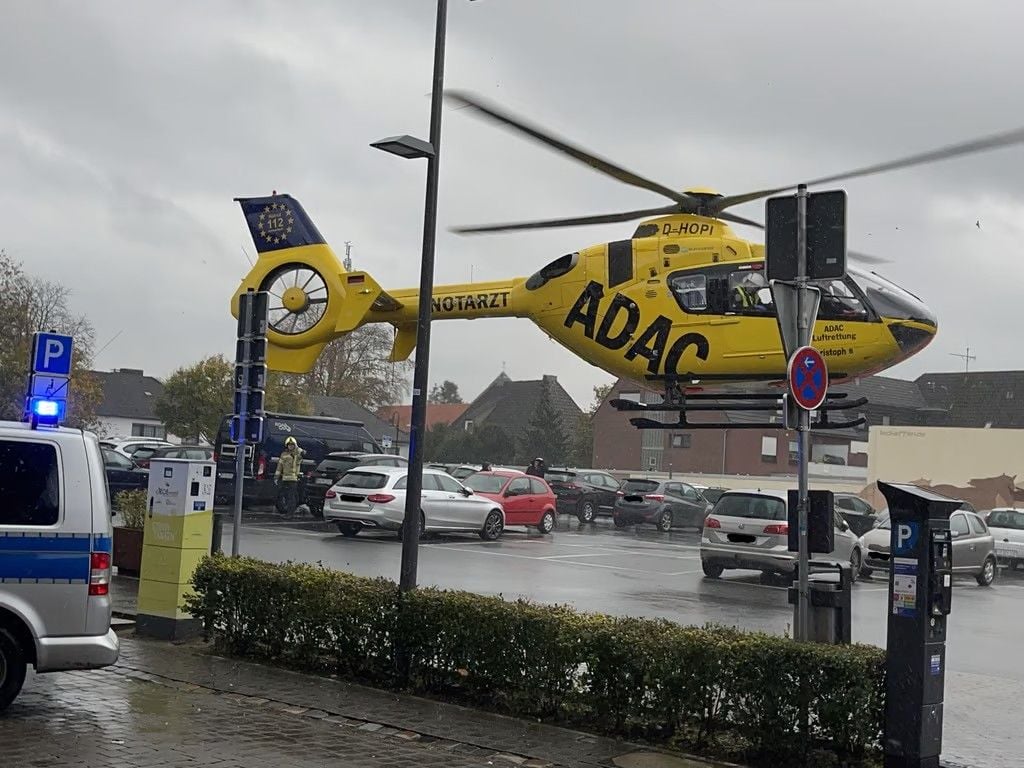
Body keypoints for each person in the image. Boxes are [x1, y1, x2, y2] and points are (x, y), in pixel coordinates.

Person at [274, 436, 305, 517]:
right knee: (285, 496)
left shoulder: (297, 454)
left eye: (292, 445)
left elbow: (301, 453)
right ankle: (288, 511)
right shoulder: (283, 454)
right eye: (289, 445)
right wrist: (276, 477)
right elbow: (279, 466)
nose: (290, 446)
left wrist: (299, 449)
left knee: (291, 497)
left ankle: (290, 514)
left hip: (293, 479)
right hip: (284, 479)